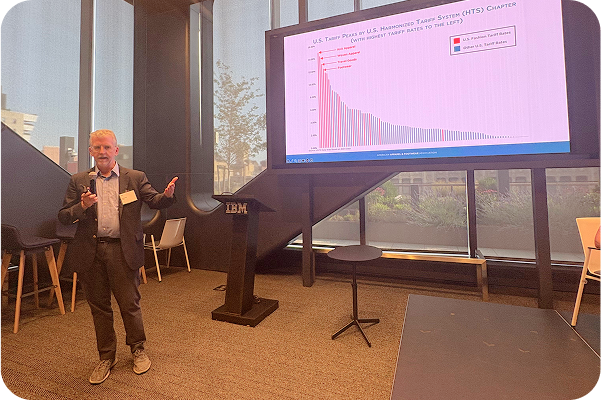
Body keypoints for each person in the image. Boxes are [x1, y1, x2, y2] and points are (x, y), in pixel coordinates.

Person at [58, 129, 178, 385]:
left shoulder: (134, 177)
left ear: (116, 150)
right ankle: (106, 357)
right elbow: (64, 216)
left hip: (122, 251)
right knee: (99, 308)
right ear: (90, 151)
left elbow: (154, 200)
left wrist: (167, 196)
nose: (102, 152)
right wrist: (83, 206)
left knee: (129, 304)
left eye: (107, 147)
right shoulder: (79, 180)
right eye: (97, 147)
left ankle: (138, 349)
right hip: (91, 252)